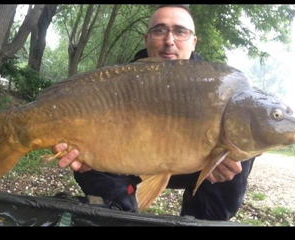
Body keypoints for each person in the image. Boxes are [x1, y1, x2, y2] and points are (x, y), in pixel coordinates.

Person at [52, 4, 255, 220]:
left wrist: (223, 161)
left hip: (197, 166)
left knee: (239, 145)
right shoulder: (120, 80)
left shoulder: (214, 85)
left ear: (193, 42)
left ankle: (201, 217)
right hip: (132, 161)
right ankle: (122, 213)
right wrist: (89, 157)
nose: (169, 40)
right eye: (159, 30)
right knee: (91, 163)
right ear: (146, 39)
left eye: (180, 31)